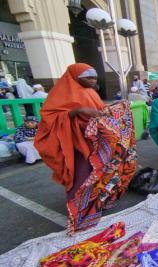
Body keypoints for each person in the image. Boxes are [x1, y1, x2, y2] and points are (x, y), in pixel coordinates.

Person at [34, 63, 137, 233]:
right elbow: (50, 119)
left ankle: (98, 203)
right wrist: (77, 111)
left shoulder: (90, 92)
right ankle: (80, 211)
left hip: (96, 143)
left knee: (102, 173)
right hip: (76, 144)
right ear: (75, 76)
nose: (92, 81)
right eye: (88, 77)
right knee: (82, 176)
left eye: (94, 78)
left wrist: (115, 108)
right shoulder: (60, 93)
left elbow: (100, 112)